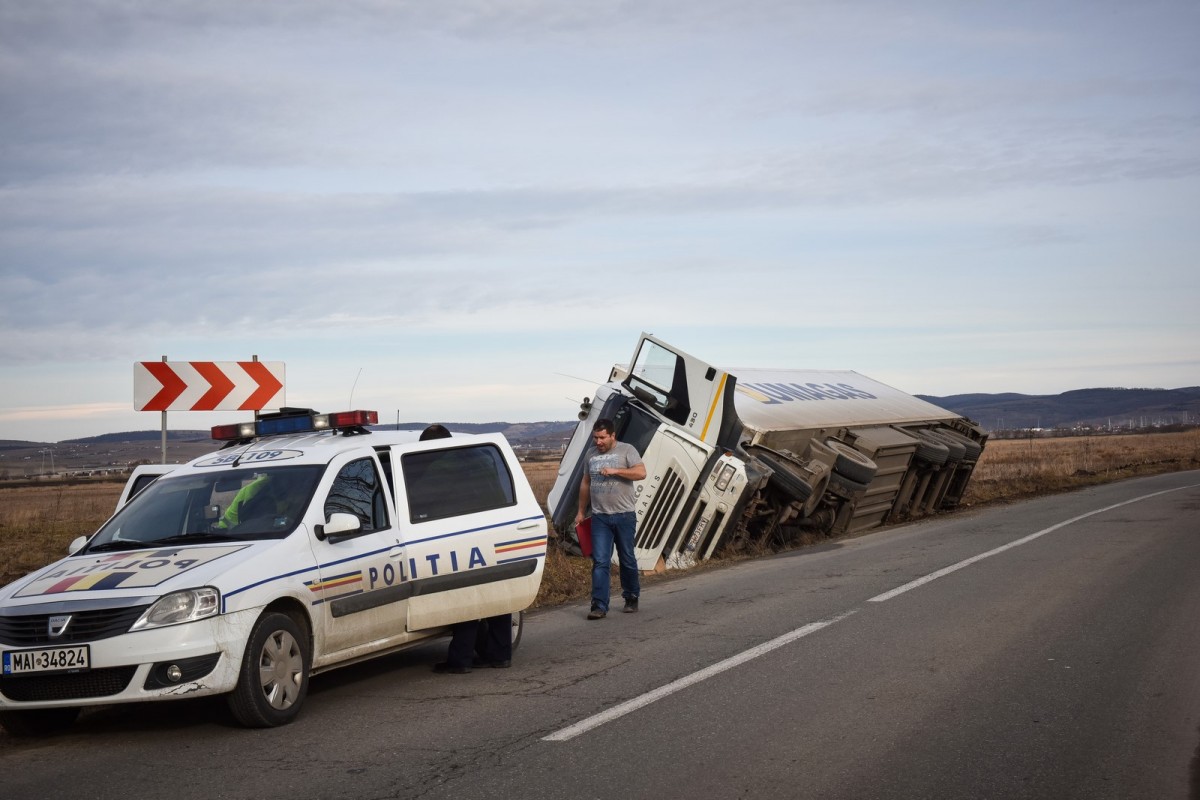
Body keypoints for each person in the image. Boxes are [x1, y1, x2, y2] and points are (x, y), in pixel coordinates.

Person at [419, 423, 515, 674]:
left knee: (467, 595)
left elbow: (421, 498)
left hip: (463, 534)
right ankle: (500, 654)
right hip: (495, 528)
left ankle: (460, 659)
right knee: (497, 594)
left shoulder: (438, 466)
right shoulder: (482, 455)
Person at [575, 418, 646, 620]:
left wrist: (616, 471)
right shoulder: (590, 454)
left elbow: (641, 472)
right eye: (595, 437)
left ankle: (631, 597)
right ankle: (599, 605)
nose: (598, 442)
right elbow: (585, 483)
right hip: (600, 517)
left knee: (627, 559)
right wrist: (581, 512)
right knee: (600, 562)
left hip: (624, 515)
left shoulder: (627, 450)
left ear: (612, 436)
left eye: (602, 438)